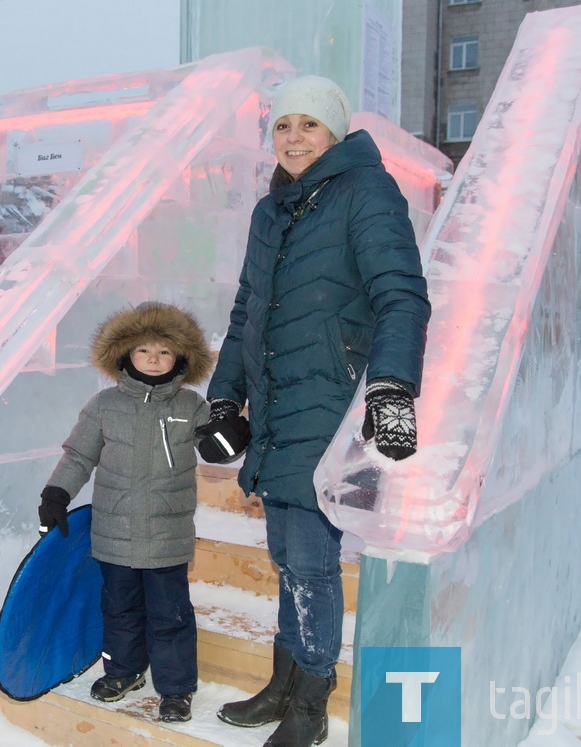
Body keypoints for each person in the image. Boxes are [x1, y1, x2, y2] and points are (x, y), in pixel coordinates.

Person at [197, 75, 431, 746]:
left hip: (329, 404)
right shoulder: (271, 211)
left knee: (310, 557)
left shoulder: (366, 191)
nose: (294, 138)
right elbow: (248, 307)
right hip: (275, 403)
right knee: (284, 552)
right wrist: (224, 394)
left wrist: (391, 386)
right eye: (283, 126)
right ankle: (285, 680)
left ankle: (311, 700)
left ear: (335, 132)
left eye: (309, 125)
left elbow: (401, 296)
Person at [37, 302, 212, 724]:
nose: (154, 359)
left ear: (181, 359)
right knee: (118, 608)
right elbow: (79, 455)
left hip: (166, 533)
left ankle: (175, 688)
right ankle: (123, 670)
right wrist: (56, 493)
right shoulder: (104, 405)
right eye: (144, 350)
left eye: (164, 352)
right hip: (113, 531)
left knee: (170, 615)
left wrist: (230, 438)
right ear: (125, 355)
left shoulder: (191, 406)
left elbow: (214, 446)